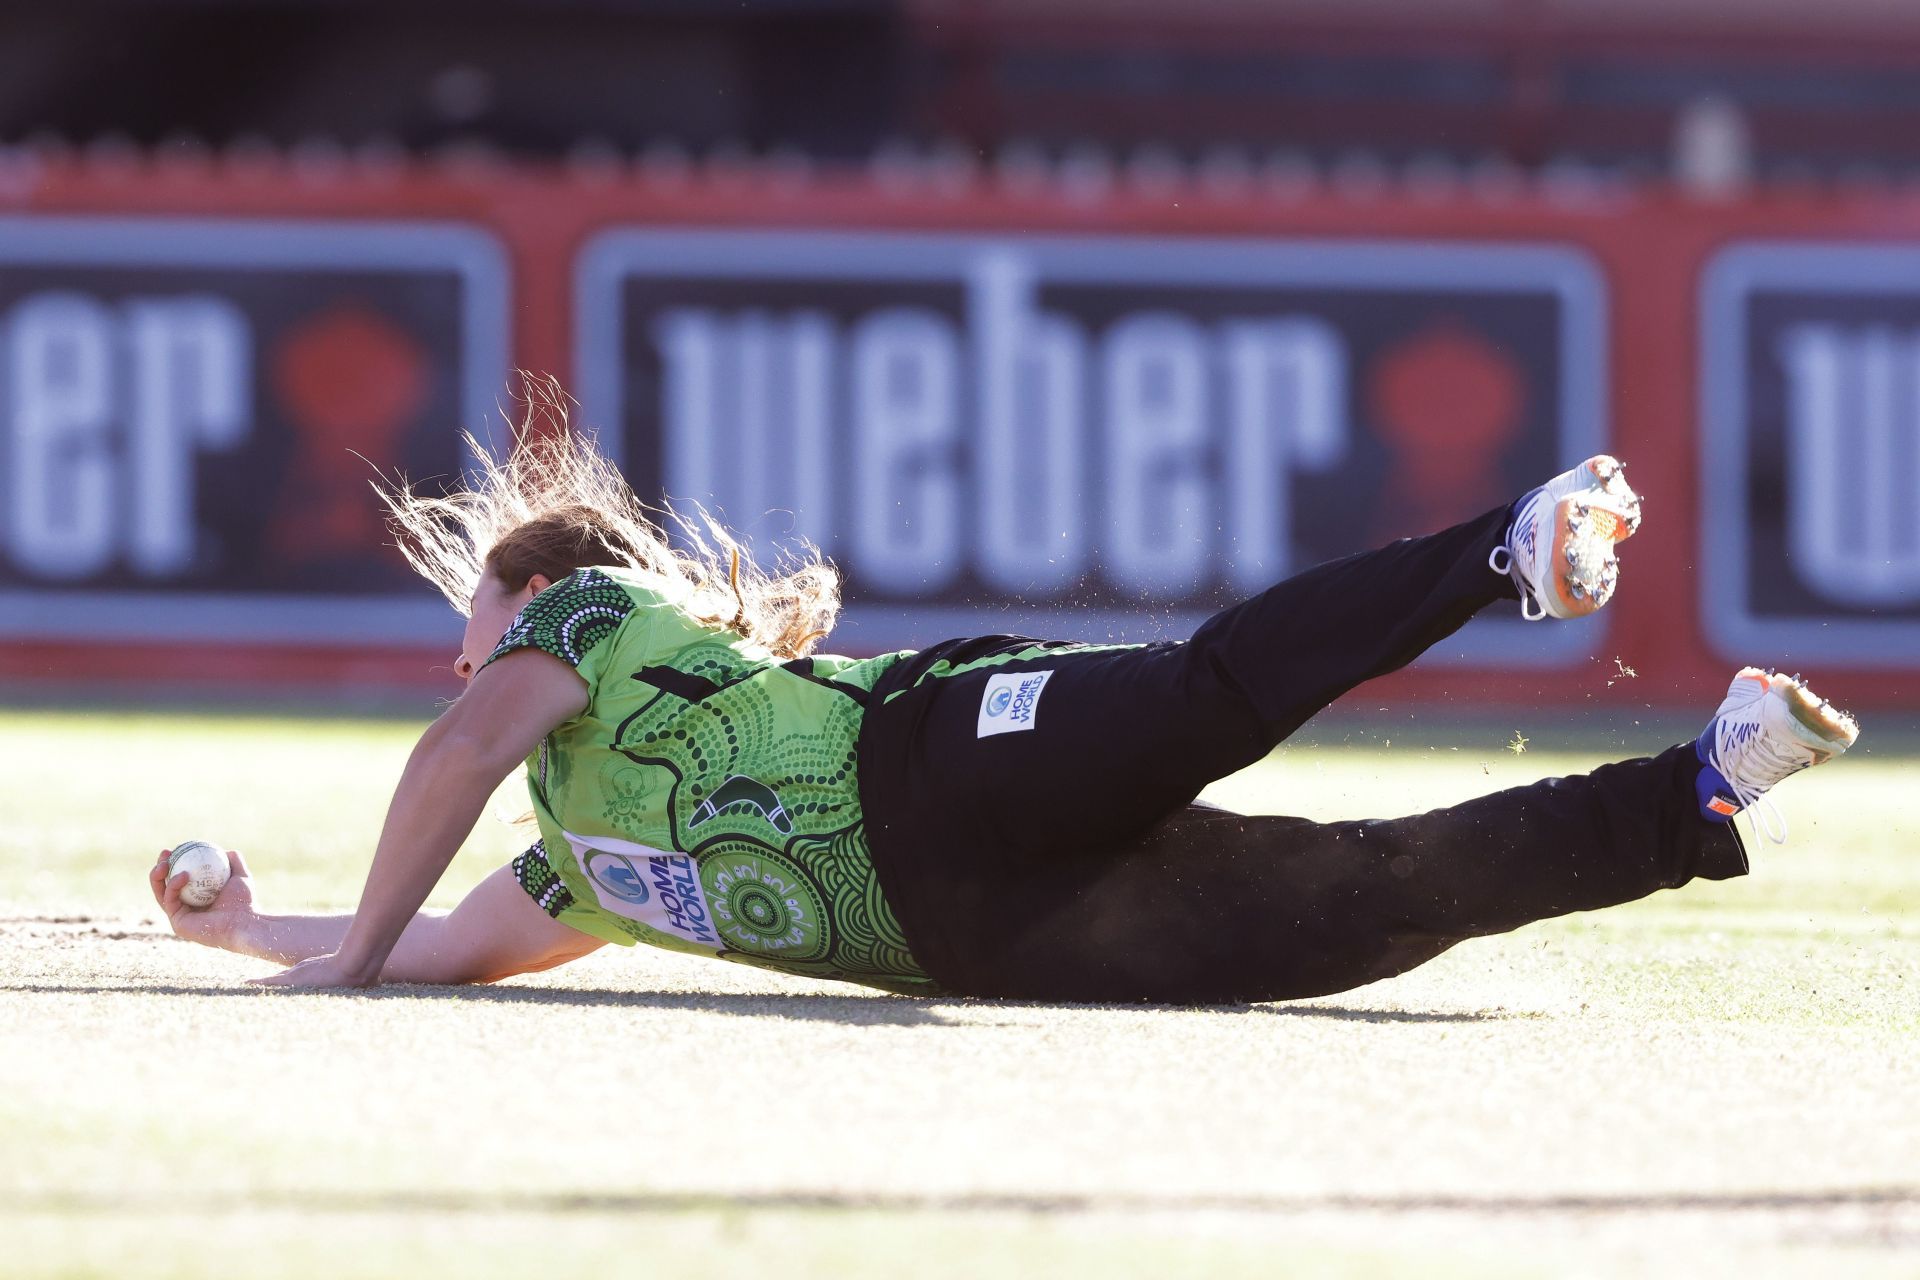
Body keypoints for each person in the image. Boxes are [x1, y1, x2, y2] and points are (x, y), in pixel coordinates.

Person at [150, 404, 1861, 1003]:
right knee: (1354, 910)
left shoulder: (585, 616)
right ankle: (1703, 786)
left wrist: (352, 964)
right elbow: (446, 943)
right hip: (977, 934)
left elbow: (452, 761)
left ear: (527, 591)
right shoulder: (578, 868)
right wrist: (254, 943)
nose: (463, 642)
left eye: (473, 604)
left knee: (1204, 695)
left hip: (932, 755)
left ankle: (1510, 547)